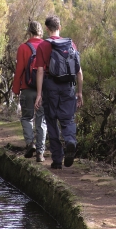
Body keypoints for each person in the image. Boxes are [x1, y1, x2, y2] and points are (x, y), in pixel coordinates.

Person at [34, 15, 83, 169]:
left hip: (50, 86)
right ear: (59, 27)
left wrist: (39, 94)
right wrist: (80, 93)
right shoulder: (71, 44)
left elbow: (40, 71)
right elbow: (79, 72)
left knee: (51, 121)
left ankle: (57, 160)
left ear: (47, 29)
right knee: (68, 119)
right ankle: (70, 141)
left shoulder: (42, 46)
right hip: (69, 87)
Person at [12, 21, 47, 162]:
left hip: (27, 89)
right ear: (41, 32)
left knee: (27, 118)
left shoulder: (23, 48)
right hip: (43, 90)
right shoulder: (47, 46)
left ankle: (30, 143)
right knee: (41, 120)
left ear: (29, 32)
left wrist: (15, 89)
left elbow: (19, 69)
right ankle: (40, 152)